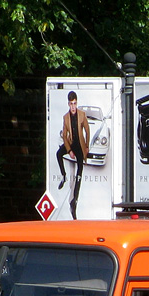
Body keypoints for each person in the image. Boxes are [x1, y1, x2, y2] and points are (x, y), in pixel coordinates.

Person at [56, 91, 91, 219]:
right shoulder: (66, 117)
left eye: (75, 104)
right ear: (68, 104)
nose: (73, 107)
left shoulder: (82, 114)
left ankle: (74, 200)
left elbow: (87, 129)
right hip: (71, 143)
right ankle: (64, 176)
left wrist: (86, 146)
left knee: (80, 170)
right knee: (58, 154)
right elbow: (64, 135)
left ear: (77, 103)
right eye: (71, 104)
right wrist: (69, 150)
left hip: (80, 144)